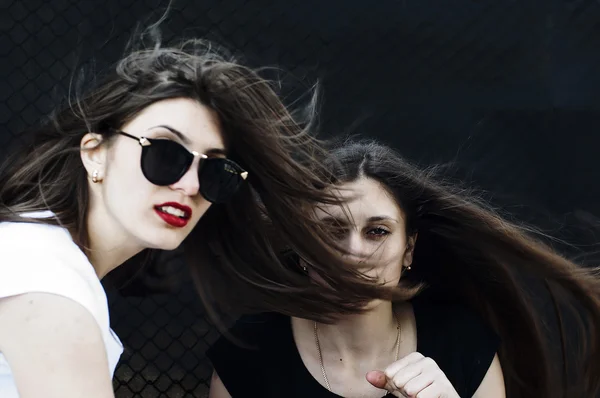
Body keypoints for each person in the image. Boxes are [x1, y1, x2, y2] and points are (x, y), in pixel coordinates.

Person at [0, 30, 386, 398]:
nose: (189, 185)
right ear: (94, 152)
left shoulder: (36, 254)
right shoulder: (48, 285)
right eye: (166, 154)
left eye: (215, 171)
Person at [207, 140, 600, 398]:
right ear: (302, 248)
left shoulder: (461, 343)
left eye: (377, 231)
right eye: (332, 230)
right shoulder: (250, 353)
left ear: (407, 248)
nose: (354, 252)